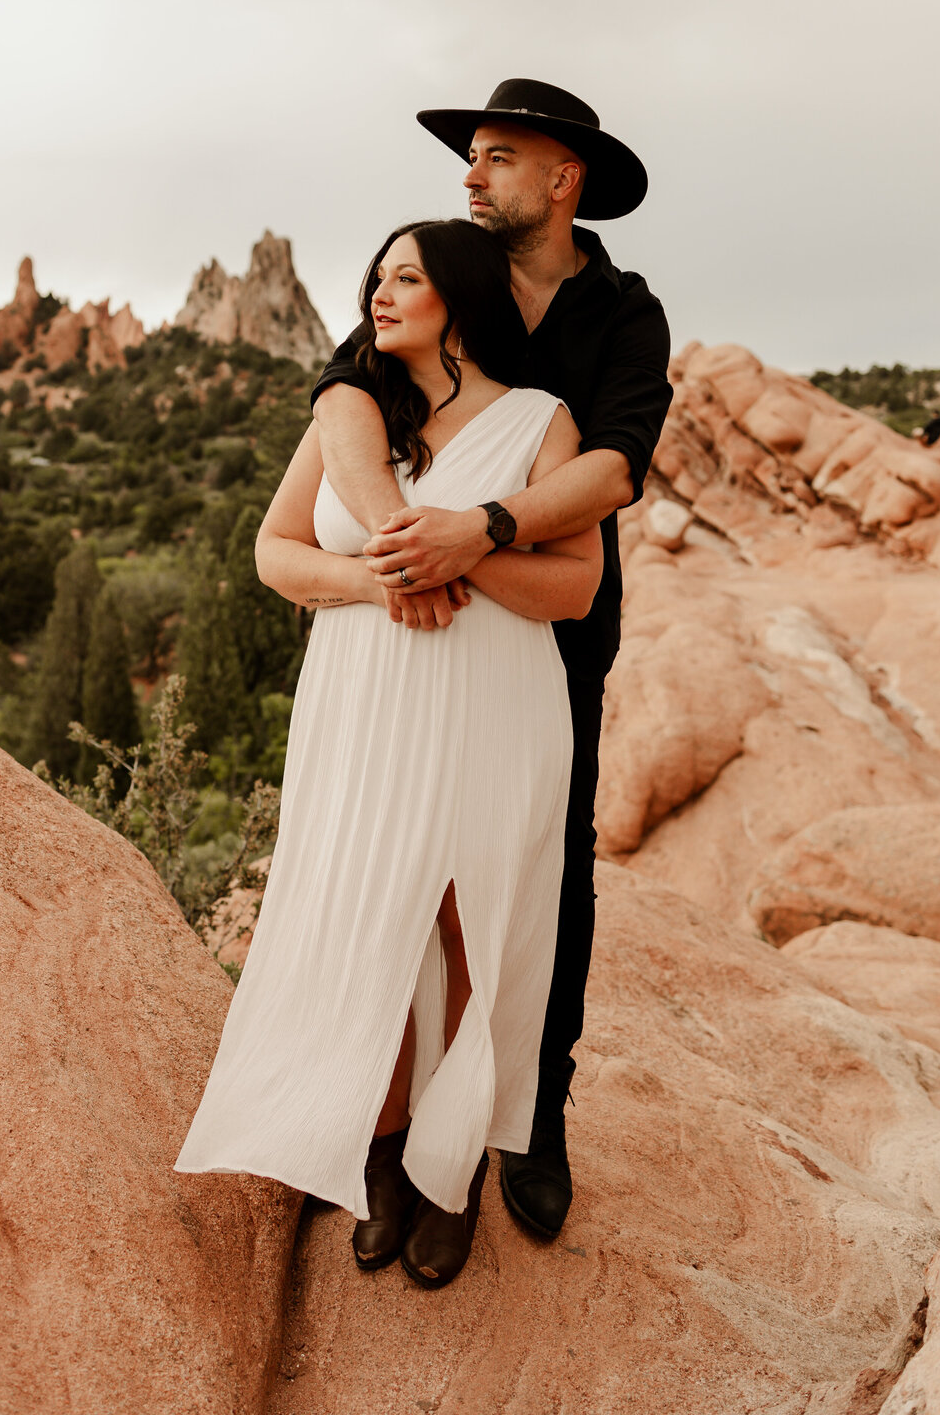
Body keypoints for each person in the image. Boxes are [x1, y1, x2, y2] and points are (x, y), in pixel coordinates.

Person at [176, 218, 602, 1288]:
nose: (380, 290)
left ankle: (447, 1165)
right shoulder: (350, 410)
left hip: (496, 699)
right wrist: (387, 578)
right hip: (363, 697)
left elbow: (579, 588)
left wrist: (467, 549)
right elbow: (276, 553)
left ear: (457, 294)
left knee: (469, 918)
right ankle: (383, 1135)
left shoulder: (542, 422)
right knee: (373, 905)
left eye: (406, 276)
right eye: (376, 275)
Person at [311, 78, 672, 1241]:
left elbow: (616, 468)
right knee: (397, 868)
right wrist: (398, 544)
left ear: (563, 178)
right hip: (403, 642)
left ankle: (529, 1119)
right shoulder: (446, 271)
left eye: (498, 158)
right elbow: (341, 396)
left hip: (543, 633)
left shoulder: (623, 310)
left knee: (537, 877)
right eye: (472, 157)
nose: (472, 176)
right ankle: (393, 1119)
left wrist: (485, 531)